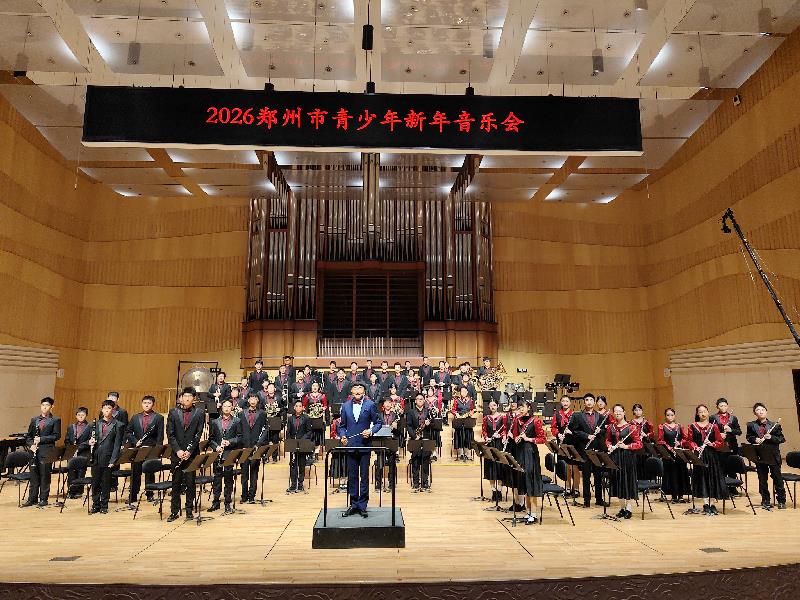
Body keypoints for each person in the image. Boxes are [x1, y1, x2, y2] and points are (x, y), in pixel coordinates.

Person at [338, 383, 382, 517]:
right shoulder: (345, 406)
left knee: (364, 476)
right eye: (355, 388)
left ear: (364, 391)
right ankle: (353, 504)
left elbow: (378, 423)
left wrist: (371, 431)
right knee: (352, 476)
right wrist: (342, 436)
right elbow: (342, 426)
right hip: (351, 445)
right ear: (351, 391)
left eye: (360, 388)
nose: (357, 391)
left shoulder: (370, 405)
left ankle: (362, 505)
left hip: (364, 445)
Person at [166, 387, 205, 522]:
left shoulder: (199, 413)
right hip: (176, 453)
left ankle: (189, 510)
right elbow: (170, 434)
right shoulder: (173, 412)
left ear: (194, 399)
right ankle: (174, 511)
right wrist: (178, 450)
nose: (187, 398)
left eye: (190, 396)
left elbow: (198, 434)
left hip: (191, 454)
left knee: (190, 483)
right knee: (176, 483)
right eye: (185, 396)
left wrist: (189, 451)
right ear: (181, 398)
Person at [566, 393, 609, 508]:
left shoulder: (600, 417)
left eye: (591, 400)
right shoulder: (578, 416)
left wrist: (600, 431)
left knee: (598, 475)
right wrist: (586, 436)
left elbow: (605, 431)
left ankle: (599, 499)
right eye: (587, 400)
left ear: (594, 402)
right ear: (584, 402)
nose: (589, 402)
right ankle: (587, 500)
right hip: (584, 449)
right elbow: (575, 431)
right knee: (586, 475)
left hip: (597, 449)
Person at [685, 404, 729, 515]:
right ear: (697, 414)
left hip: (712, 455)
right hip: (699, 456)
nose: (703, 414)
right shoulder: (692, 426)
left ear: (708, 412)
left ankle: (712, 504)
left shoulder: (713, 426)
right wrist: (696, 447)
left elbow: (720, 442)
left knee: (712, 478)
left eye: (705, 411)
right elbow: (689, 441)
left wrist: (712, 444)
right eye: (700, 412)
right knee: (702, 478)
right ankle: (705, 504)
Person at [22, 397, 61, 508]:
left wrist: (41, 439)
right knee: (34, 476)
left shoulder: (55, 420)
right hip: (34, 451)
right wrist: (31, 445)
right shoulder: (34, 420)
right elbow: (28, 436)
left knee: (45, 475)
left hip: (47, 451)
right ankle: (32, 498)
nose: (44, 407)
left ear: (52, 407)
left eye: (47, 405)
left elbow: (56, 436)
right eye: (43, 405)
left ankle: (43, 499)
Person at [746, 402, 786, 510]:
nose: (760, 411)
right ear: (755, 413)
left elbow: (781, 439)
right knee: (762, 479)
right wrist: (755, 439)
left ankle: (781, 500)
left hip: (773, 455)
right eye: (758, 410)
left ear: (766, 411)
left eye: (762, 409)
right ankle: (765, 500)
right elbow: (749, 437)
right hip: (760, 455)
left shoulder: (775, 425)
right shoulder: (751, 425)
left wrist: (771, 437)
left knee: (777, 478)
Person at [126, 395, 164, 506]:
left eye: (149, 403)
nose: (146, 405)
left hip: (151, 449)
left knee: (150, 472)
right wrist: (135, 441)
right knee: (135, 472)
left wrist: (158, 450)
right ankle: (133, 495)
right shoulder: (135, 417)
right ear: (142, 404)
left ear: (153, 404)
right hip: (138, 449)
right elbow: (128, 432)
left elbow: (160, 436)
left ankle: (149, 494)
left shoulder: (158, 417)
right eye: (144, 403)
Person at [605, 404, 642, 519]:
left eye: (620, 411)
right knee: (618, 481)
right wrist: (609, 446)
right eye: (615, 411)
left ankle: (629, 509)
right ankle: (622, 508)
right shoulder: (611, 427)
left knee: (627, 481)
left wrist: (626, 446)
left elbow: (639, 444)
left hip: (627, 458)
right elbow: (608, 440)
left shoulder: (631, 428)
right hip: (615, 457)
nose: (617, 413)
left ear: (624, 412)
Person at [512, 401, 546, 524]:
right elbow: (515, 435)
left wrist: (528, 439)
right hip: (520, 452)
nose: (521, 409)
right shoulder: (517, 420)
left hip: (530, 453)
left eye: (523, 407)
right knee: (524, 482)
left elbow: (542, 439)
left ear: (529, 408)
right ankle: (528, 512)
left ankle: (534, 513)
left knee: (531, 482)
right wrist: (516, 438)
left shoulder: (535, 421)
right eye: (519, 407)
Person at [89, 399, 124, 514]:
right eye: (104, 408)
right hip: (95, 457)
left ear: (113, 410)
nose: (106, 410)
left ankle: (104, 505)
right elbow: (90, 440)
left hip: (108, 458)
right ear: (102, 409)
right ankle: (95, 505)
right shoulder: (95, 424)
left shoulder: (118, 425)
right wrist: (90, 442)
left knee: (105, 483)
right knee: (95, 483)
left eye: (109, 408)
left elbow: (117, 445)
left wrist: (113, 460)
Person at [208, 399, 242, 512]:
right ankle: (216, 502)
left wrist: (230, 442)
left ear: (232, 408)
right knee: (217, 479)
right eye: (225, 406)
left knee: (228, 479)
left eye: (229, 406)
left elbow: (239, 437)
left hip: (229, 454)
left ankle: (228, 502)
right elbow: (211, 439)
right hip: (217, 453)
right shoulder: (214, 422)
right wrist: (216, 447)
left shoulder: (237, 421)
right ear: (221, 408)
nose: (227, 408)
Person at [239, 391, 268, 503]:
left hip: (256, 447)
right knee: (244, 473)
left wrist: (259, 444)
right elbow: (239, 431)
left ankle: (252, 496)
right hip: (244, 447)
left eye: (255, 398)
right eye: (251, 398)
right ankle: (244, 495)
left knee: (254, 472)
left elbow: (265, 430)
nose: (253, 400)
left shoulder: (262, 413)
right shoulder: (241, 414)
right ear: (248, 400)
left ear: (258, 400)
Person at [657, 408, 690, 503]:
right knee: (671, 475)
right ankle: (674, 495)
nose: (670, 417)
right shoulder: (662, 427)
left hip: (679, 453)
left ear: (674, 416)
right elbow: (660, 440)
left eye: (672, 415)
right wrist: (670, 448)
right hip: (668, 454)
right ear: (665, 416)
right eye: (668, 415)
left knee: (681, 474)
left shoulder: (679, 426)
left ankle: (681, 496)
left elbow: (686, 439)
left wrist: (680, 443)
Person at [551, 394, 580, 497]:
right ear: (561, 402)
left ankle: (576, 489)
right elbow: (553, 427)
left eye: (567, 401)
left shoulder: (575, 415)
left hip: (573, 442)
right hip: (562, 442)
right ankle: (567, 487)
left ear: (570, 403)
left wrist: (571, 432)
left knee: (575, 466)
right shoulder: (557, 414)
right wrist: (557, 434)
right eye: (563, 401)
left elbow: (578, 429)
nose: (565, 403)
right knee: (566, 466)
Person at [407, 393, 433, 492]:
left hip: (426, 438)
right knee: (415, 460)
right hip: (415, 439)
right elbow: (409, 426)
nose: (420, 400)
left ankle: (425, 483)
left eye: (421, 399)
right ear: (415, 401)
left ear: (424, 400)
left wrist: (429, 424)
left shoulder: (428, 411)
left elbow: (434, 425)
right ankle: (416, 483)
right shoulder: (411, 412)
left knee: (426, 460)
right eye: (418, 399)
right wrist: (414, 436)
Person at [64, 406, 92, 499]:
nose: (80, 416)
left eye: (83, 415)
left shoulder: (90, 426)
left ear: (86, 415)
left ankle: (79, 491)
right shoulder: (71, 427)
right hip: (72, 453)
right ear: (76, 416)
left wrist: (78, 449)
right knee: (71, 472)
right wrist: (71, 449)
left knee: (81, 472)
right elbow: (67, 440)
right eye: (79, 414)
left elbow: (89, 441)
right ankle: (71, 491)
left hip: (83, 453)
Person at [286, 400, 313, 493]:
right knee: (293, 465)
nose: (298, 407)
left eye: (300, 406)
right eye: (296, 406)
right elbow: (288, 431)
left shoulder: (306, 418)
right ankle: (293, 484)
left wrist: (302, 439)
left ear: (303, 408)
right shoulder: (290, 418)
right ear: (294, 408)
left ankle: (300, 484)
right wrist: (291, 441)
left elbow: (309, 431)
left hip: (302, 444)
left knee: (301, 464)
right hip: (293, 444)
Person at [482, 399, 505, 501]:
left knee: (500, 467)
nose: (493, 407)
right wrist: (486, 437)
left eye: (494, 405)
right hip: (490, 445)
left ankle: (499, 490)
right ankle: (493, 490)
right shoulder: (486, 418)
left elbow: (505, 430)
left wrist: (500, 435)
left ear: (498, 406)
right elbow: (484, 430)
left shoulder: (503, 417)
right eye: (491, 405)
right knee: (490, 467)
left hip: (499, 444)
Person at [374, 397, 399, 490]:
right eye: (386, 402)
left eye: (389, 402)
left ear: (392, 404)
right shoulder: (378, 415)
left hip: (391, 441)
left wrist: (396, 427)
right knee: (379, 464)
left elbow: (399, 432)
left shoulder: (396, 416)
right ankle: (378, 484)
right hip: (381, 441)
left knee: (392, 464)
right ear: (383, 405)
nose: (388, 404)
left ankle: (391, 484)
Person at [303, 381, 328, 459]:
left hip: (319, 419)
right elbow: (304, 406)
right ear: (311, 387)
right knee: (311, 435)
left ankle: (317, 453)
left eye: (316, 386)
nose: (314, 387)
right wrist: (307, 413)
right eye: (313, 386)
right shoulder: (307, 396)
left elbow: (325, 405)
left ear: (318, 387)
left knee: (317, 435)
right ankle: (310, 452)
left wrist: (322, 408)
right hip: (310, 418)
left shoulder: (322, 396)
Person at [451, 386, 475, 461]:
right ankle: (461, 454)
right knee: (460, 436)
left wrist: (470, 413)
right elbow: (453, 410)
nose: (463, 393)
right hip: (459, 420)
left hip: (467, 420)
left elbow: (472, 409)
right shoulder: (456, 400)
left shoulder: (470, 400)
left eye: (465, 391)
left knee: (467, 436)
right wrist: (456, 414)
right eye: (462, 391)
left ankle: (466, 453)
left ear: (467, 392)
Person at [630, 403, 653, 479]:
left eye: (639, 410)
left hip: (645, 446)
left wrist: (646, 435)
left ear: (642, 411)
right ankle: (638, 480)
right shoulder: (631, 423)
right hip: (635, 446)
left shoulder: (647, 422)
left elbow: (652, 433)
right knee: (637, 463)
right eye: (636, 410)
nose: (638, 412)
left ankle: (648, 480)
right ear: (633, 411)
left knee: (646, 463)